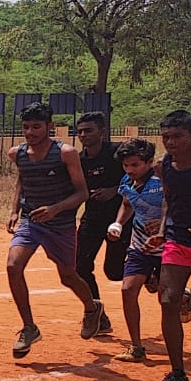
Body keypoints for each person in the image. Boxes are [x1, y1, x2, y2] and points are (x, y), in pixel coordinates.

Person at [6, 102, 99, 356]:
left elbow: (82, 192)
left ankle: (91, 308)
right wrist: (15, 210)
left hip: (60, 224)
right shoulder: (17, 153)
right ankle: (29, 327)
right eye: (26, 127)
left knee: (67, 276)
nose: (30, 132)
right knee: (13, 266)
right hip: (31, 221)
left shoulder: (65, 153)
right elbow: (22, 180)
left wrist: (56, 209)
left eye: (36, 127)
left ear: (50, 127)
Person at [152, 109, 191, 381]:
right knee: (168, 300)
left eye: (177, 136)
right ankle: (177, 374)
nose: (171, 142)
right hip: (178, 240)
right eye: (166, 137)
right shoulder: (164, 166)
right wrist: (161, 230)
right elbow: (170, 200)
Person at [106, 138, 165, 363]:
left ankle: (182, 295)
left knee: (167, 299)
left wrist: (162, 222)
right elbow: (127, 203)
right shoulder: (128, 181)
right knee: (128, 290)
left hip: (168, 246)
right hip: (140, 246)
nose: (130, 170)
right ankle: (136, 347)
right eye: (126, 166)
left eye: (135, 165)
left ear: (149, 162)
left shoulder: (163, 180)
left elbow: (180, 205)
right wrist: (118, 223)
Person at [71, 112, 124, 331]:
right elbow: (74, 191)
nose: (83, 135)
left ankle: (154, 275)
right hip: (92, 218)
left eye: (89, 130)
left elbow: (140, 176)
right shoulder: (78, 160)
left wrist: (115, 191)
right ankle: (97, 315)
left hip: (121, 219)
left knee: (114, 272)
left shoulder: (117, 153)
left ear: (102, 131)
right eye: (80, 131)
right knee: (79, 266)